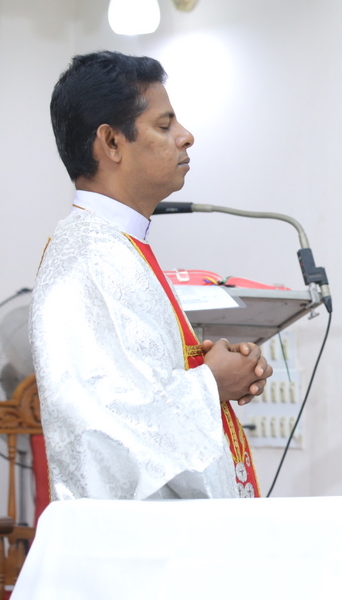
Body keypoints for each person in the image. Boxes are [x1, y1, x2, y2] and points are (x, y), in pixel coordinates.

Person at [32, 51, 272, 500]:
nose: (186, 137)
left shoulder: (118, 245)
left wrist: (215, 368)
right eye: (164, 125)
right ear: (112, 142)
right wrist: (211, 384)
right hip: (137, 537)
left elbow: (142, 385)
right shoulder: (86, 258)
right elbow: (104, 428)